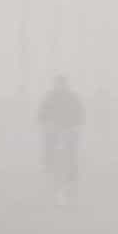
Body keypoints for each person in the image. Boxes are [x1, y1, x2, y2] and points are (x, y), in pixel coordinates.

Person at [37, 75, 87, 206]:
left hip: (68, 130)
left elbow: (81, 113)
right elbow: (41, 114)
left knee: (71, 153)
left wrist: (77, 126)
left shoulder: (72, 97)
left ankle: (72, 173)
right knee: (50, 148)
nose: (60, 86)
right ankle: (48, 165)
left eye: (62, 84)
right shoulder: (50, 97)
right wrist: (45, 124)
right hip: (54, 130)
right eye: (59, 84)